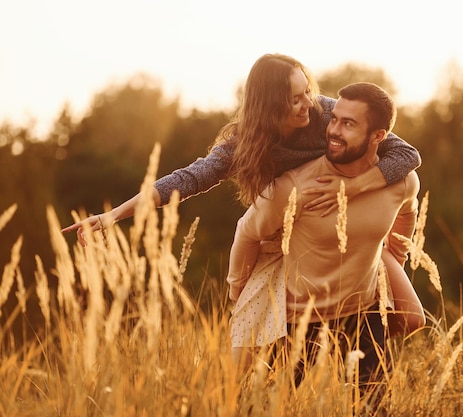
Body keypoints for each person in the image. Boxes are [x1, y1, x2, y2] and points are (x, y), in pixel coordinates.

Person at [61, 53, 424, 360]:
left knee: (411, 318)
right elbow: (186, 180)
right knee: (259, 351)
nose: (309, 104)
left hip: (351, 229)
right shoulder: (244, 144)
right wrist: (114, 215)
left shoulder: (325, 112)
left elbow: (407, 154)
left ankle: (355, 354)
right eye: (295, 99)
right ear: (270, 106)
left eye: (307, 92)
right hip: (284, 236)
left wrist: (352, 186)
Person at [226, 82, 424, 394]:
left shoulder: (400, 181)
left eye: (348, 124)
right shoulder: (296, 186)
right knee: (264, 407)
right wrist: (237, 287)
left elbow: (407, 211)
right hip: (299, 322)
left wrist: (393, 259)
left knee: (374, 410)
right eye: (334, 119)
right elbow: (247, 232)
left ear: (378, 137)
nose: (333, 130)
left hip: (365, 315)